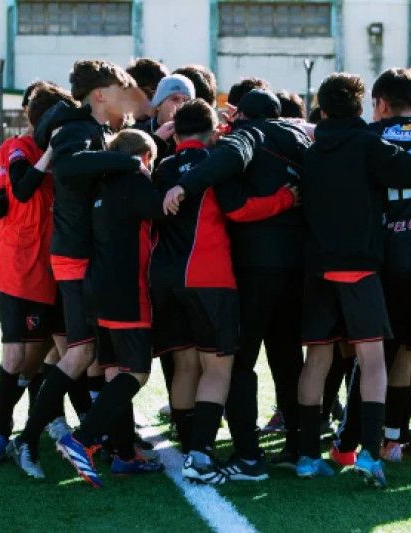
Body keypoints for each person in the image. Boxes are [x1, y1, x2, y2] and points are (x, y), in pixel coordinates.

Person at [296, 72, 411, 487]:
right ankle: (368, 454)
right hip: (360, 266)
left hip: (318, 267)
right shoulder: (367, 143)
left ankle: (307, 456)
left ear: (322, 108)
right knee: (373, 360)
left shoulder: (311, 151)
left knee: (318, 360)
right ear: (362, 107)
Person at [6, 59, 146, 480]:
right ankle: (27, 438)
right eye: (122, 91)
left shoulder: (101, 131)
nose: (129, 99)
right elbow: (66, 166)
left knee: (104, 358)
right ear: (100, 95)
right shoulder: (76, 129)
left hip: (92, 256)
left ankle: (120, 451)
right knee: (82, 353)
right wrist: (128, 164)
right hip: (76, 257)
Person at [162, 89, 307, 480]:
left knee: (238, 362)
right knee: (289, 358)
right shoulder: (301, 141)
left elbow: (236, 202)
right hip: (297, 265)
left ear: (243, 115)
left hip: (250, 267)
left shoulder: (245, 137)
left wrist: (186, 184)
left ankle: (246, 455)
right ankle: (302, 447)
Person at [56, 129, 166, 487]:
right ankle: (82, 439)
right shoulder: (135, 182)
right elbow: (166, 209)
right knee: (136, 373)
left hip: (97, 290)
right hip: (126, 291)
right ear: (144, 159)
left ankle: (123, 455)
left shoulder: (101, 185)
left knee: (114, 372)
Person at [0, 82, 73, 462]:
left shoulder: (66, 148)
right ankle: (1, 430)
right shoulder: (18, 148)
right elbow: (16, 190)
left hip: (57, 267)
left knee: (51, 352)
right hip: (21, 268)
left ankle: (42, 420)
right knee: (20, 356)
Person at [151, 99, 240, 484]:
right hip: (208, 275)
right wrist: (287, 197)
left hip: (164, 277)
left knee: (185, 365)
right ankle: (201, 455)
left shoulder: (162, 167)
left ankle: (189, 447)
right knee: (217, 366)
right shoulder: (216, 164)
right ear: (214, 130)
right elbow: (241, 211)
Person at [135, 74, 195, 165]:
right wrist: (156, 141)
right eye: (175, 99)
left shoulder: (196, 133)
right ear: (159, 105)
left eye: (187, 101)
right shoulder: (138, 132)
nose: (181, 106)